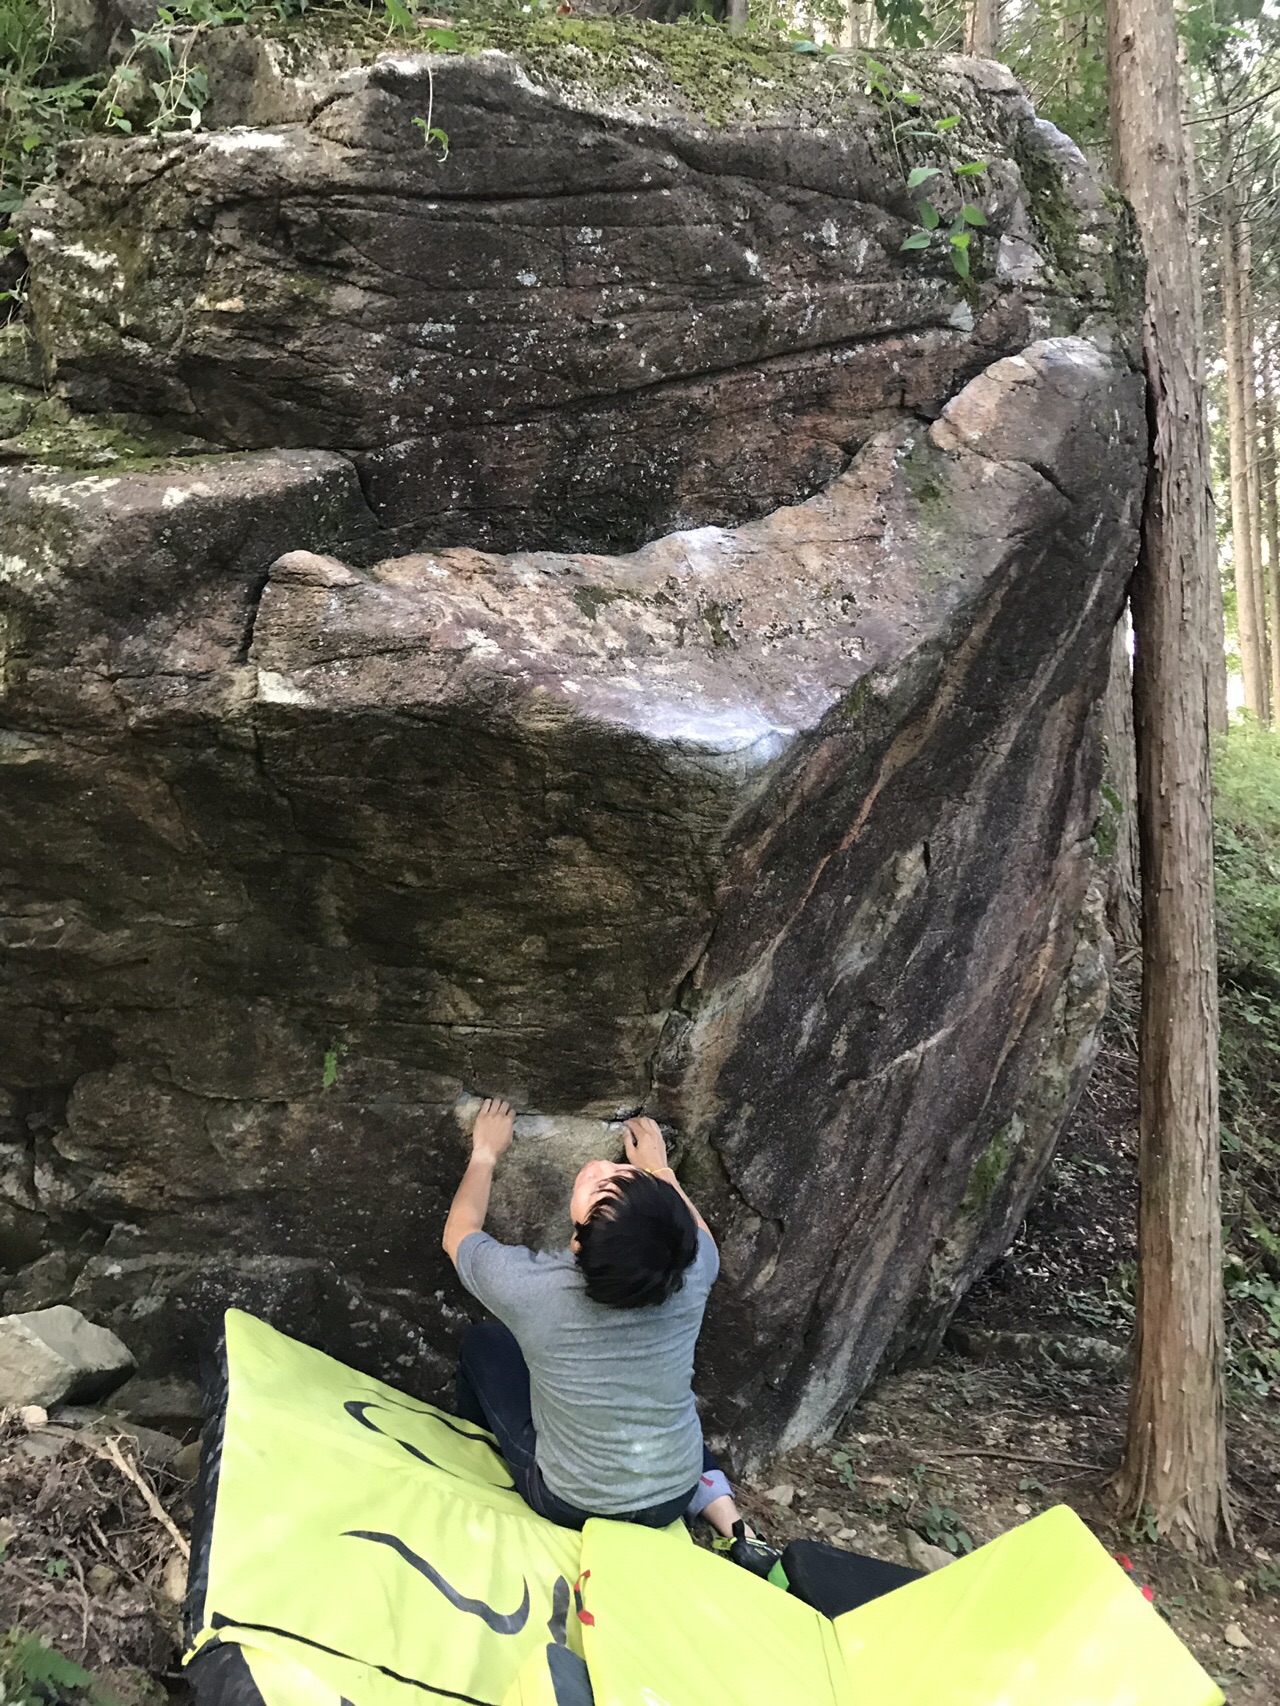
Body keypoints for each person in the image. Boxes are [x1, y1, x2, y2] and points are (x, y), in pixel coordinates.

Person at [442, 1097, 776, 1570]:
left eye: (605, 1187)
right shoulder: (695, 1266)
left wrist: (485, 1154)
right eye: (617, 1177)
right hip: (670, 1494)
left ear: (579, 1245)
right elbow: (699, 1232)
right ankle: (732, 1522)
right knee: (662, 1402)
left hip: (573, 1502)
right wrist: (659, 1170)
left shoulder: (536, 1289)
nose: (601, 1166)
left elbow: (459, 1234)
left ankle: (473, 1458)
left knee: (485, 1344)